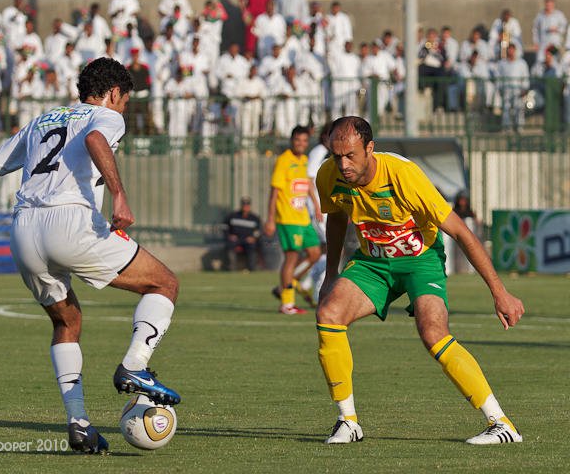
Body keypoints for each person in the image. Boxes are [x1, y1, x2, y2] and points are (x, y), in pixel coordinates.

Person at [0, 58, 181, 454]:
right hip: (71, 222)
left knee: (67, 320)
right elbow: (96, 141)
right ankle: (134, 364)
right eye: (125, 101)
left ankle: (79, 424)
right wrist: (120, 195)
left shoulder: (41, 121)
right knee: (164, 283)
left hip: (24, 229)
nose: (124, 108)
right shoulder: (106, 116)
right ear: (114, 93)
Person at [314, 116, 524, 445]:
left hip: (420, 260)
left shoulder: (404, 176)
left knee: (433, 333)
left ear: (370, 148)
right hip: (374, 263)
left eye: (350, 155)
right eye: (335, 155)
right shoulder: (328, 175)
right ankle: (348, 422)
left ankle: (502, 424)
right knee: (328, 314)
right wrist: (330, 275)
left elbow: (461, 232)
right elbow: (338, 218)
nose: (342, 163)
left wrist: (500, 292)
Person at [265, 125, 322, 315]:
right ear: (292, 141)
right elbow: (274, 192)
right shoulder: (283, 161)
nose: (301, 144)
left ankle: (290, 282)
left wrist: (317, 206)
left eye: (304, 141)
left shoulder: (304, 160)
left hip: (303, 218)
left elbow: (307, 186)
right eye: (298, 140)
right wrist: (270, 219)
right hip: (287, 218)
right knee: (291, 257)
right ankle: (287, 303)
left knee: (314, 253)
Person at [224, 196, 262, 271]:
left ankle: (252, 268)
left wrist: (254, 238)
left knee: (252, 246)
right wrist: (229, 235)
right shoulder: (233, 216)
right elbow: (224, 227)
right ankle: (231, 268)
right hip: (236, 239)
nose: (245, 207)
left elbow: (259, 231)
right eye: (244, 205)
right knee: (230, 245)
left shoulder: (254, 218)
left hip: (248, 240)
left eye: (247, 205)